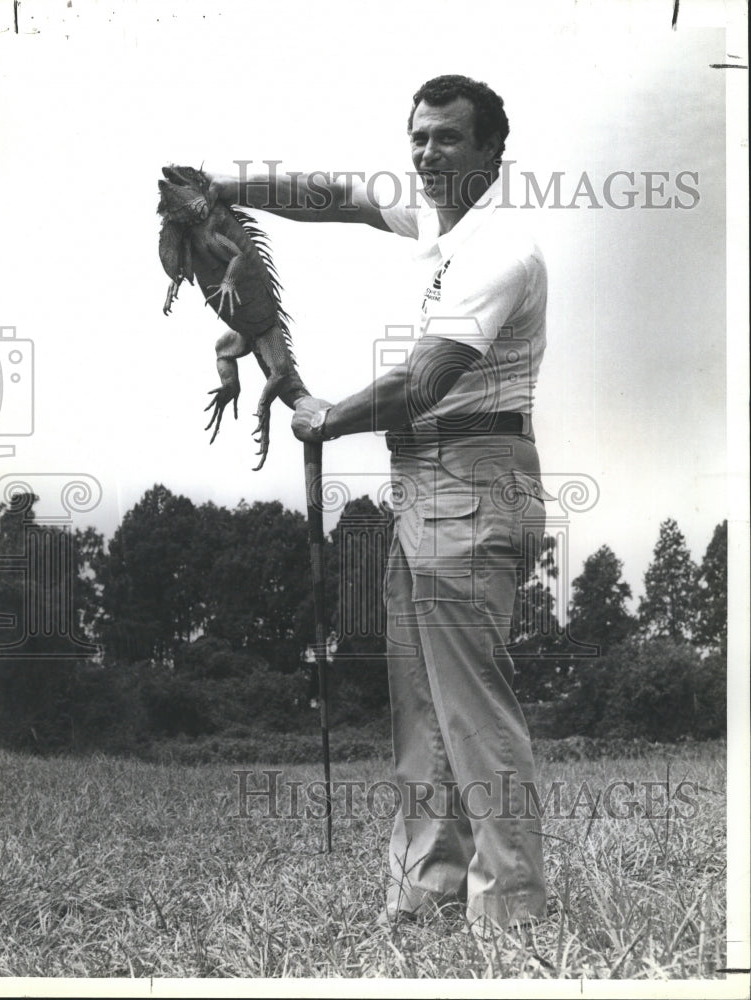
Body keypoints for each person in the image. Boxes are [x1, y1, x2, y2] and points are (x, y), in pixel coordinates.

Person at [208, 74, 550, 929]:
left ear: (490, 152)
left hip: (475, 472)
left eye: (446, 138)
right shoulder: (434, 221)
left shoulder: (498, 251)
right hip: (423, 480)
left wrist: (328, 415)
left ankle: (511, 914)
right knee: (422, 711)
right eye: (419, 137)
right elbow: (333, 197)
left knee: (470, 709)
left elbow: (424, 380)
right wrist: (224, 192)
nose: (426, 154)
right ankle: (430, 893)